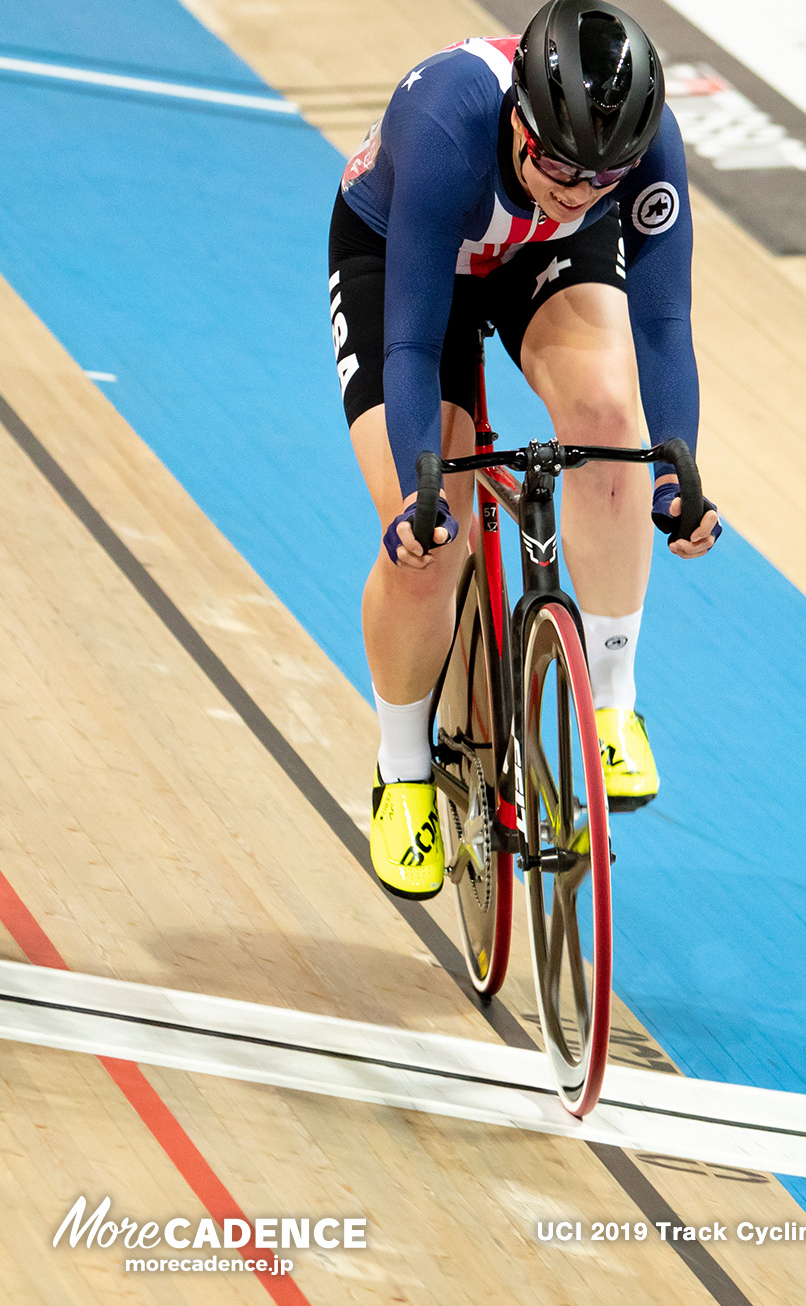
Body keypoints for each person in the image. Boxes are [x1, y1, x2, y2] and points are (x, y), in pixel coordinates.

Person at [327, 0, 721, 899]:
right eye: (556, 165)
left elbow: (662, 321)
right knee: (430, 542)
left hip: (533, 258)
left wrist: (675, 467)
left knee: (607, 415)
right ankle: (403, 770)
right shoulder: (443, 121)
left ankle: (614, 703)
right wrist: (422, 496)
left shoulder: (634, 153)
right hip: (404, 262)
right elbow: (416, 344)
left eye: (600, 179)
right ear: (519, 118)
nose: (577, 192)